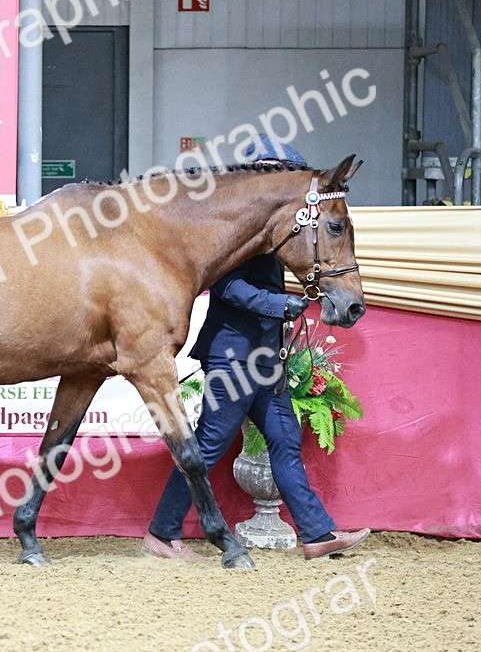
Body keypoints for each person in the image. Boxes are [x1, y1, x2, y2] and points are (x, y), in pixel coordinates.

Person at [142, 137, 371, 562]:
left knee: (285, 445)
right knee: (208, 444)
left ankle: (317, 535)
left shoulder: (277, 227)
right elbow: (225, 286)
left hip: (267, 356)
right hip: (233, 353)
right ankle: (161, 533)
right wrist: (280, 305)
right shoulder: (233, 227)